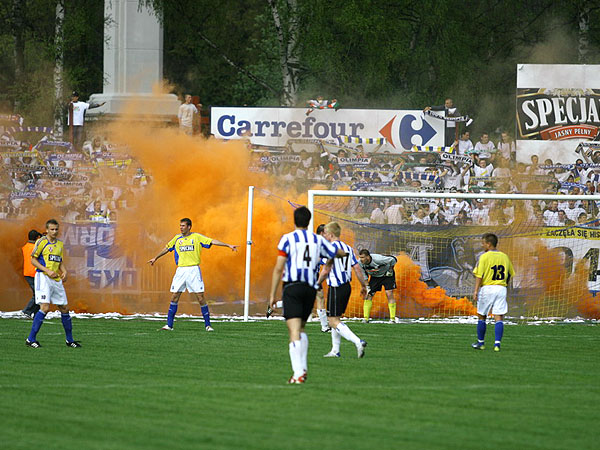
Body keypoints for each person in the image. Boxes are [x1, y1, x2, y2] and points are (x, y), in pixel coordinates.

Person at [268, 206, 345, 384]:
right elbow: (338, 252)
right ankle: (301, 370)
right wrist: (340, 255)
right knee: (301, 329)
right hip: (310, 288)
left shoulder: (287, 239)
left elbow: (279, 268)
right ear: (309, 221)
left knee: (294, 330)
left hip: (293, 287)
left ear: (294, 220)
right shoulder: (317, 240)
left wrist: (272, 294)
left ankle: (298, 372)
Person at [147, 218, 238, 332]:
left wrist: (228, 245)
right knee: (175, 296)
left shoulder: (196, 237)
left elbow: (212, 241)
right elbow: (167, 248)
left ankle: (208, 325)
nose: (181, 227)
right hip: (180, 271)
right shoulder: (177, 238)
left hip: (193, 270)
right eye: (180, 225)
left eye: (183, 226)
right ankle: (169, 325)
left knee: (200, 297)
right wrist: (155, 258)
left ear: (189, 227)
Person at [25, 219, 81, 348]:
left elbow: (59, 261)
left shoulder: (60, 244)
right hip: (43, 277)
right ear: (47, 230)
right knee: (44, 307)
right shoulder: (41, 242)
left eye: (56, 229)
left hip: (56, 279)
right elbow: (33, 260)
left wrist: (64, 271)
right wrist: (47, 271)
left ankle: (69, 340)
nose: (54, 232)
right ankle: (30, 339)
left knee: (64, 308)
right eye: (52, 229)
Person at [318, 222, 368, 358]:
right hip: (346, 287)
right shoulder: (348, 248)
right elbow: (357, 268)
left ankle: (358, 342)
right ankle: (335, 350)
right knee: (336, 318)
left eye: (326, 233)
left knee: (332, 321)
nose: (325, 236)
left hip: (336, 287)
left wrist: (317, 283)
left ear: (331, 234)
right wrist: (363, 286)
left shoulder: (330, 249)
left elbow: (326, 270)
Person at [471, 233, 515, 352]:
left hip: (488, 288)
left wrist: (475, 290)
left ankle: (481, 343)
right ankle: (497, 344)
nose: (482, 245)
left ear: (488, 244)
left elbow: (479, 275)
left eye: (483, 243)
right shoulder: (504, 256)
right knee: (498, 316)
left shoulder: (484, 257)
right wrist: (505, 285)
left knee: (482, 315)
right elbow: (510, 273)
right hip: (501, 288)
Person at [358, 249, 399, 323]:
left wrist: (390, 270)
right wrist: (367, 287)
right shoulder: (360, 263)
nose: (361, 259)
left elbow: (394, 259)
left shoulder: (378, 259)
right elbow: (364, 275)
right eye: (360, 257)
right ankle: (366, 318)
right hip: (375, 277)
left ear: (368, 257)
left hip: (387, 275)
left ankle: (392, 319)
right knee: (369, 295)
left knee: (389, 293)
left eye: (363, 257)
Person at [21, 229, 42, 318]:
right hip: (34, 273)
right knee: (37, 294)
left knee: (39, 294)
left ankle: (36, 312)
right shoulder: (36, 247)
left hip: (27, 273)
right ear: (37, 238)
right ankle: (27, 311)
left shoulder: (25, 247)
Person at [315, 224, 331, 332]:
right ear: (322, 233)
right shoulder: (319, 244)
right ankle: (324, 326)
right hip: (309, 273)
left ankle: (324, 326)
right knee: (319, 297)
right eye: (327, 232)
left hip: (308, 273)